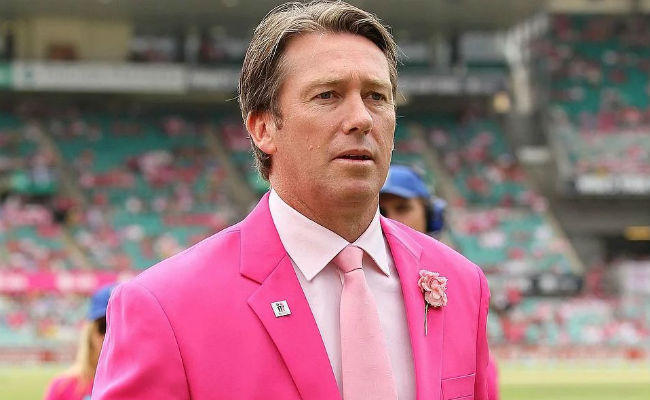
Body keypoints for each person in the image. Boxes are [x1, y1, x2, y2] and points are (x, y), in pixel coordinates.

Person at [93, 2, 490, 399]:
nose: (362, 118)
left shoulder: (461, 284)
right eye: (327, 95)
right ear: (263, 128)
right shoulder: (165, 306)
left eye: (376, 96)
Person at [380, 164, 500, 400]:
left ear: (431, 217)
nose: (389, 219)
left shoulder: (461, 278)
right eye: (380, 211)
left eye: (402, 208)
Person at [43, 284, 114, 400]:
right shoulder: (63, 388)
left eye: (121, 325)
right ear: (90, 333)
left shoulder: (143, 386)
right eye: (104, 326)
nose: (112, 335)